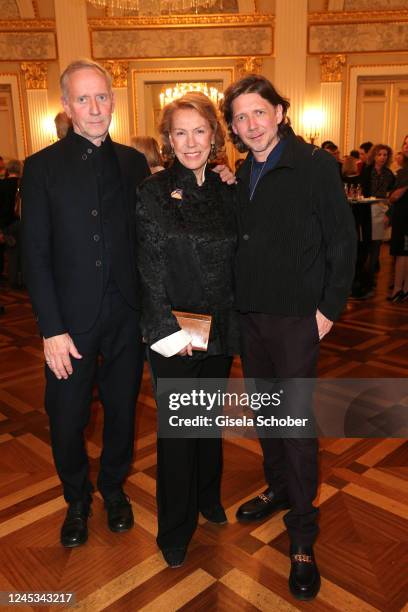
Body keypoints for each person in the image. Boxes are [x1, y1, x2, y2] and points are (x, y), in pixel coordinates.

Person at [221, 74, 356, 601]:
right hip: (250, 317)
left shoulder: (315, 166)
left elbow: (342, 240)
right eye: (240, 117)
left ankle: (303, 533)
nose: (250, 124)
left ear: (279, 111)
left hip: (298, 318)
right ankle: (278, 488)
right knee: (266, 413)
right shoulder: (242, 171)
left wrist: (328, 308)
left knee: (296, 426)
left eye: (259, 112)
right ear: (232, 127)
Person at [21, 59, 151, 548]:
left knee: (121, 411)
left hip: (126, 317)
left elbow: (154, 234)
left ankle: (114, 489)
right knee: (67, 416)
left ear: (113, 101)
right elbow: (34, 255)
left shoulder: (134, 164)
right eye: (84, 99)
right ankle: (76, 497)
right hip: (68, 325)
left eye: (103, 97)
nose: (95, 108)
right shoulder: (41, 168)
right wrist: (50, 330)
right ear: (66, 105)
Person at [136, 92, 239, 569]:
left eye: (200, 130)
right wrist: (166, 332)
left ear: (215, 137)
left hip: (217, 332)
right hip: (173, 332)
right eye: (180, 132)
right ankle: (174, 529)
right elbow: (148, 270)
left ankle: (207, 498)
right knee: (178, 432)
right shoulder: (153, 192)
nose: (190, 141)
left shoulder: (227, 190)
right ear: (168, 140)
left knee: (208, 424)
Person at [356, 144, 395, 297]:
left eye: (385, 155)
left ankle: (370, 282)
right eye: (380, 154)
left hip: (381, 211)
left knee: (376, 250)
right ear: (374, 156)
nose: (382, 157)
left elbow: (391, 197)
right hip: (366, 212)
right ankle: (362, 282)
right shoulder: (366, 171)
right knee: (364, 248)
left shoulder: (389, 174)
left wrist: (389, 215)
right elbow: (361, 193)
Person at [388, 134, 408, 302]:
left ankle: (397, 289)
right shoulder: (402, 170)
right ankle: (404, 288)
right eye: (405, 143)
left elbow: (394, 197)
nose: (406, 146)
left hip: (405, 216)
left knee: (402, 252)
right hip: (402, 214)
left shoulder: (405, 172)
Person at [0, 159, 23, 288]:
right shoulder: (25, 183)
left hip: (7, 224)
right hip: (22, 222)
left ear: (8, 170)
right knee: (24, 252)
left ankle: (14, 280)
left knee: (12, 253)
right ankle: (23, 279)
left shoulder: (2, 185)